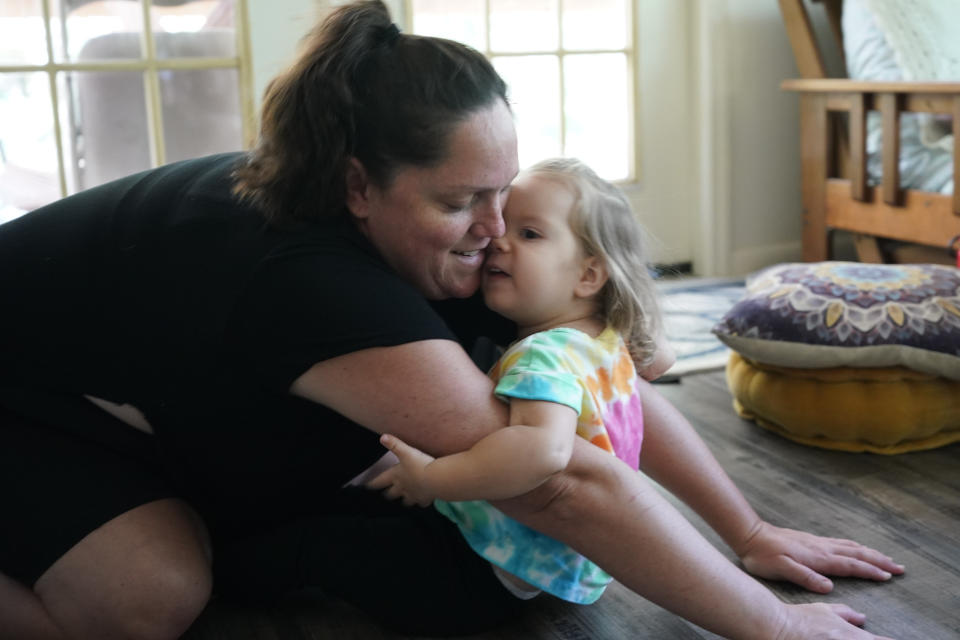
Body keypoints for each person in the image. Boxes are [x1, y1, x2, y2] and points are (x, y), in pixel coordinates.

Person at [0, 1, 903, 638]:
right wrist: (774, 628)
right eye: (464, 199)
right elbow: (554, 481)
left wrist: (746, 532)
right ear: (359, 186)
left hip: (124, 391)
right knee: (143, 599)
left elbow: (586, 373)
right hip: (22, 387)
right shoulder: (308, 277)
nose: (496, 226)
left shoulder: (434, 232)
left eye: (504, 191)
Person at [370, 157, 660, 605]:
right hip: (562, 562)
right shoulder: (605, 344)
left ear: (588, 275)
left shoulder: (542, 356)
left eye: (529, 234)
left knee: (318, 544)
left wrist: (432, 477)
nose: (498, 240)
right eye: (504, 224)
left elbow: (543, 451)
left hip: (484, 566)